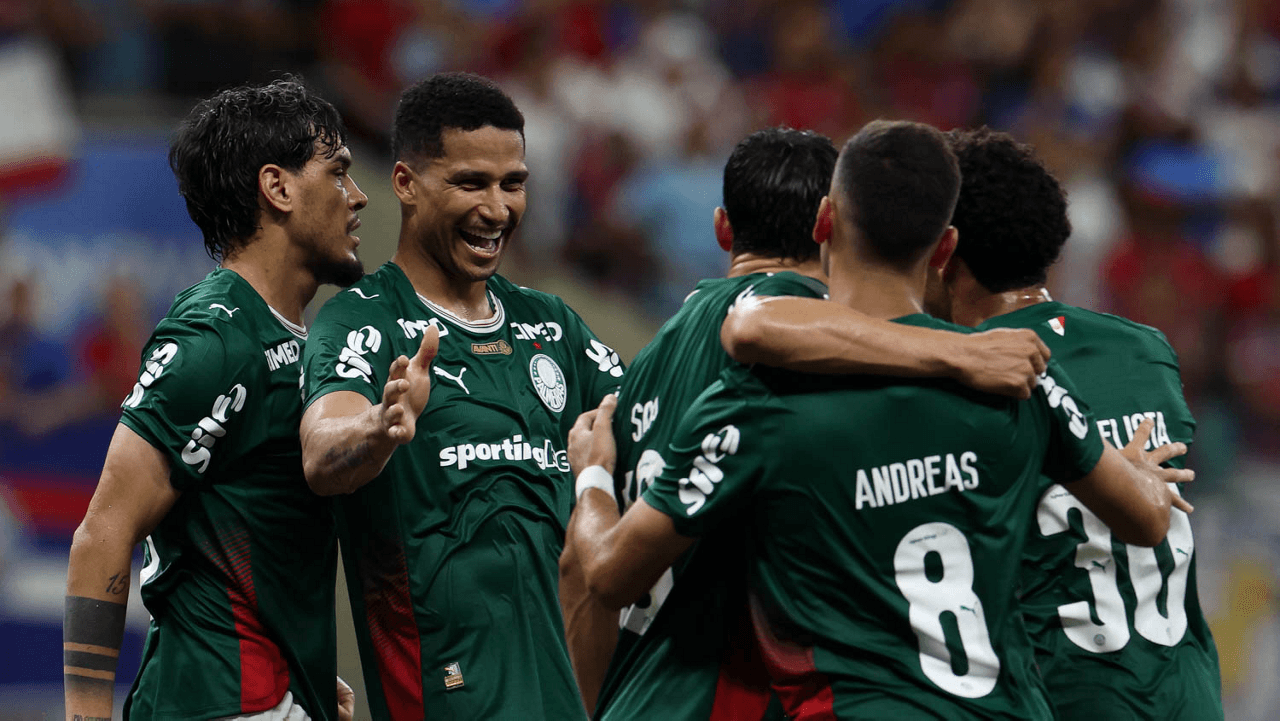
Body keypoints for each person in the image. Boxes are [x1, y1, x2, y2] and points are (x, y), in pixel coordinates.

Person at [561, 120, 1193, 719]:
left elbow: (610, 573)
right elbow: (1147, 517)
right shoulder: (1020, 376)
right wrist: (1125, 465)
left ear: (826, 221)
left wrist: (592, 477)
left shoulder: (769, 399)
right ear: (943, 246)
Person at [298, 72, 622, 721]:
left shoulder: (552, 325)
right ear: (406, 184)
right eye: (471, 183)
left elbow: (649, 422)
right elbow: (320, 447)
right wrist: (380, 425)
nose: (498, 209)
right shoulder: (365, 322)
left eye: (513, 184)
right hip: (442, 697)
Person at [64, 79, 367, 721]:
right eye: (338, 173)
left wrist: (305, 676)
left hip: (266, 695)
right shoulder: (214, 336)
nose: (357, 197)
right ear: (277, 188)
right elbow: (103, 533)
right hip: (220, 700)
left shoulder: (284, 334)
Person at [932, 127, 1222, 720]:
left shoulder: (959, 376)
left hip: (1067, 698)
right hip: (1186, 698)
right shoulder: (1146, 351)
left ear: (943, 250)